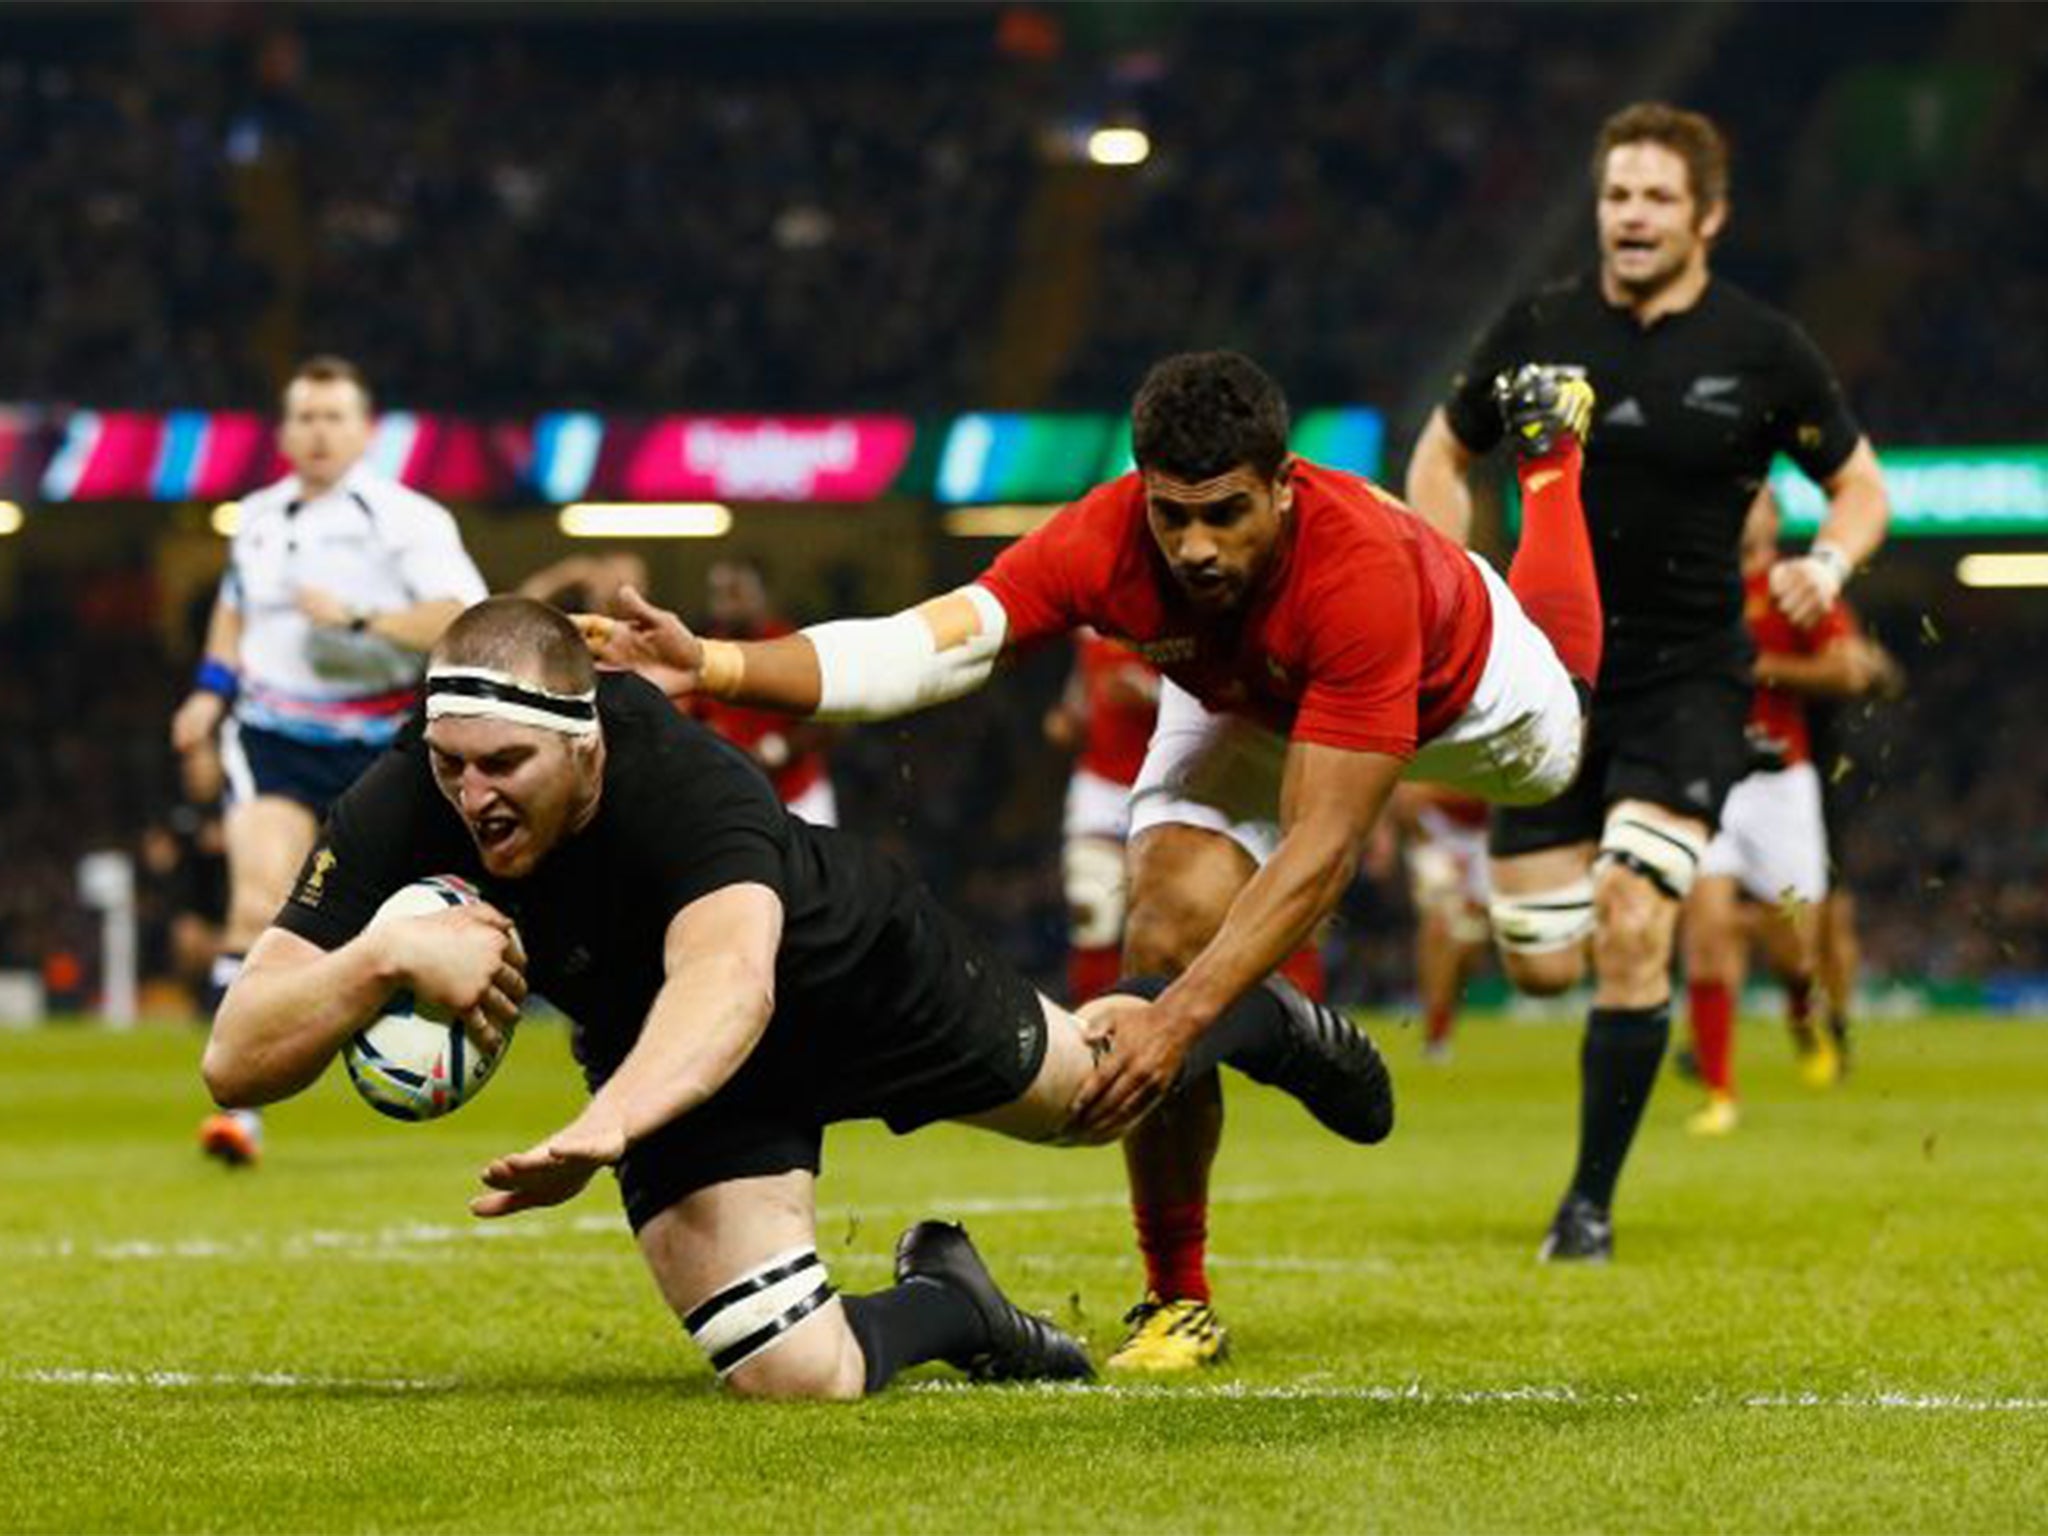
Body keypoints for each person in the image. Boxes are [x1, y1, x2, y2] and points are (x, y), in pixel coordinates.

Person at [582, 347, 1603, 1369]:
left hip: (1461, 697)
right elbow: (928, 646)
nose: (1195, 547)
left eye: (1225, 514)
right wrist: (713, 664)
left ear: (1283, 489)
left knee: (1564, 732)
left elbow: (1322, 849)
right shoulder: (1103, 536)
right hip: (1241, 706)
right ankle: (1176, 1295)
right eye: (1173, 515)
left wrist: (1183, 1022)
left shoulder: (1357, 573)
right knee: (1160, 927)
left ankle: (1548, 465)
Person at [201, 597, 1395, 1400]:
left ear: (584, 746)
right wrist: (379, 961)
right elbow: (233, 1060)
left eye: (503, 766)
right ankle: (952, 1304)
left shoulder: (681, 780)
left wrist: (602, 1128)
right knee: (787, 1374)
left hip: (851, 973)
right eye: (450, 763)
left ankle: (1256, 1015)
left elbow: (728, 983)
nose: (472, 795)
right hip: (661, 1046)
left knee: (1095, 1097)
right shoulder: (408, 793)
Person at [1405, 102, 1889, 1259]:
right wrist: (1459, 581)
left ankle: (1586, 1207)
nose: (1629, 215)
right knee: (1537, 966)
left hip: (1689, 683)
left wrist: (1827, 559)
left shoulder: (1762, 348)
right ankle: (1599, 1042)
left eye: (1655, 197)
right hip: (1549, 687)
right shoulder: (1536, 326)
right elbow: (1439, 452)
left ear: (1706, 217)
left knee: (1633, 917)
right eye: (1616, 194)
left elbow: (1861, 487)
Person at [170, 355, 487, 1167]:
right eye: (304, 417)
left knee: (418, 907)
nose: (316, 432)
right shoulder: (260, 516)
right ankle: (240, 1111)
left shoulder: (407, 520)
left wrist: (357, 618)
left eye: (333, 416)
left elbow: (462, 618)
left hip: (379, 737)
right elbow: (235, 613)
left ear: (364, 429)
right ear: (283, 431)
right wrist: (210, 694)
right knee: (253, 902)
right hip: (273, 733)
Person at [1679, 491, 1878, 1135]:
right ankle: (1719, 1092)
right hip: (1708, 781)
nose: (1741, 508)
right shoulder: (1690, 585)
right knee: (1705, 936)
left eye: (1757, 501)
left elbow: (1851, 671)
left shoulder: (1794, 586)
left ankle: (1801, 1008)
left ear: (1774, 520)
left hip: (1781, 787)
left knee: (1794, 948)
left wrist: (1761, 667)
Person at [1042, 629, 1164, 1004]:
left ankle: (1159, 1018)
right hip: (1100, 784)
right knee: (1091, 905)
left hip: (1165, 784)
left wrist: (1148, 694)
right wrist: (1068, 717)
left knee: (1164, 921)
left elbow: (1211, 698)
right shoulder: (1089, 624)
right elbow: (1082, 690)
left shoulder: (1175, 611)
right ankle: (1093, 1024)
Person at [692, 559, 840, 826]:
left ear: (761, 596)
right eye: (721, 593)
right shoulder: (704, 650)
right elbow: (691, 717)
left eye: (737, 592)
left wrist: (780, 748)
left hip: (798, 795)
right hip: (738, 798)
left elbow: (829, 722)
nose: (727, 602)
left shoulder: (789, 643)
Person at [1390, 786, 1493, 1063]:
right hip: (1438, 831)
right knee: (1438, 928)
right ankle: (1435, 1034)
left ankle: (1442, 1020)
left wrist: (1434, 793)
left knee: (1469, 946)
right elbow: (1404, 792)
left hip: (1488, 834)